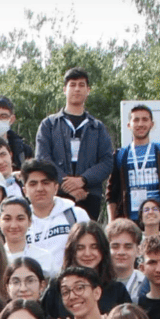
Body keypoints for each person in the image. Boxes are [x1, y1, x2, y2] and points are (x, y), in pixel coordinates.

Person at [33, 68, 114, 216]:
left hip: (89, 195)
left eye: (82, 85)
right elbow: (43, 158)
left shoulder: (97, 127)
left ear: (88, 90)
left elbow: (107, 161)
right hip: (57, 194)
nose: (77, 89)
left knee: (87, 238)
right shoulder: (49, 125)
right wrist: (66, 184)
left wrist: (83, 180)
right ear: (65, 89)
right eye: (73, 84)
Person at [106, 104, 160, 227]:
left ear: (152, 124)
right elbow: (111, 192)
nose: (140, 124)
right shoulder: (120, 155)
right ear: (129, 125)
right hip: (130, 223)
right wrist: (111, 222)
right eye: (136, 120)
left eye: (145, 119)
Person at [46, 221, 131, 319]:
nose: (87, 253)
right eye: (80, 248)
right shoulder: (57, 286)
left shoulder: (117, 290)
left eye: (94, 247)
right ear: (72, 251)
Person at [21, 159, 89, 261]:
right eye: (33, 184)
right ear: (25, 191)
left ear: (56, 188)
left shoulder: (76, 215)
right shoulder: (19, 222)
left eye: (45, 183)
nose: (40, 188)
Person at [0, 197, 57, 273]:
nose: (14, 225)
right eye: (7, 219)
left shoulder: (44, 257)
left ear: (30, 221)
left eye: (20, 219)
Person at [108, 218, 146, 300]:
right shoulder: (98, 284)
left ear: (139, 251)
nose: (121, 252)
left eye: (128, 247)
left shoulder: (146, 283)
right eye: (115, 246)